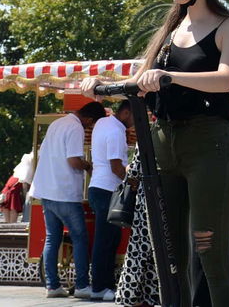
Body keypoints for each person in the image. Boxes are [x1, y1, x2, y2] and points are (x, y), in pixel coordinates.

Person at [82, 0, 229, 307]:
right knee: (169, 258)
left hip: (209, 145)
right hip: (162, 145)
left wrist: (170, 77)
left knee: (210, 253)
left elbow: (225, 78)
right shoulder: (170, 33)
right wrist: (100, 86)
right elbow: (139, 81)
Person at [31, 100, 106, 299]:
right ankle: (82, 285)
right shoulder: (75, 128)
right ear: (89, 119)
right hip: (65, 192)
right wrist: (87, 165)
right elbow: (73, 161)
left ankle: (52, 285)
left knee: (52, 239)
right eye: (91, 124)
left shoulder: (57, 123)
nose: (90, 128)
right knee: (79, 238)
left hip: (48, 191)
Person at [89, 100, 132, 300]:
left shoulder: (102, 123)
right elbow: (116, 166)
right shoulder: (116, 131)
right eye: (134, 116)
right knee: (106, 240)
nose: (134, 122)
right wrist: (134, 182)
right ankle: (99, 286)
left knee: (108, 239)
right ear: (125, 113)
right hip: (107, 189)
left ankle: (105, 284)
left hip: (98, 187)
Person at [115, 154, 160, 307]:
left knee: (139, 252)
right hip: (167, 198)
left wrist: (127, 169)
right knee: (155, 256)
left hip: (146, 199)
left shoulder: (146, 134)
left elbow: (134, 170)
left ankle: (131, 296)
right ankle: (150, 297)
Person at [0, 152, 34, 223]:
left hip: (5, 192)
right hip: (13, 193)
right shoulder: (25, 173)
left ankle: (7, 231)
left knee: (7, 220)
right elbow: (24, 187)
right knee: (13, 218)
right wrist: (25, 200)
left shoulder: (18, 172)